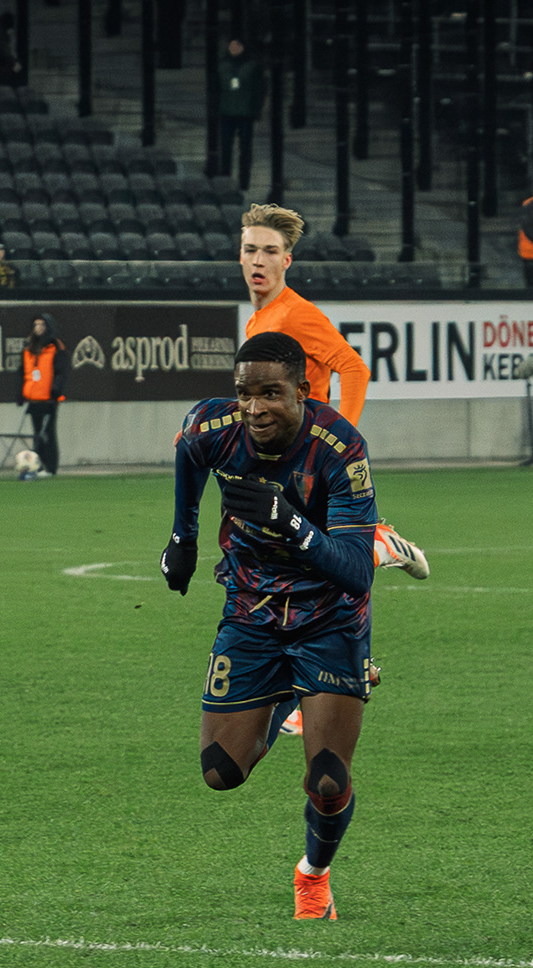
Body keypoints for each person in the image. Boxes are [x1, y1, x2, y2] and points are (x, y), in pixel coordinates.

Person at [160, 331, 378, 920]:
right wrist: (183, 537)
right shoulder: (213, 426)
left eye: (271, 394)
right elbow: (189, 451)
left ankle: (314, 876)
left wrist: (293, 524)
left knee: (327, 780)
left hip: (329, 616)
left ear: (303, 391)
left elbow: (356, 574)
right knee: (220, 773)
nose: (254, 408)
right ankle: (290, 694)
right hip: (251, 611)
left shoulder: (340, 448)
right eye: (244, 394)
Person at [239, 203, 426, 582]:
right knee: (298, 552)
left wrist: (341, 438)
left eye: (270, 251)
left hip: (308, 449)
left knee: (319, 558)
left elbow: (354, 368)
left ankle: (381, 544)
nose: (258, 260)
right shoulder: (259, 320)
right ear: (239, 256)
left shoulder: (295, 314)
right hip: (282, 446)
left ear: (286, 261)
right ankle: (380, 543)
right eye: (250, 250)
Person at [18, 312, 66, 476]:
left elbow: (61, 371)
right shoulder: (29, 347)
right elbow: (23, 371)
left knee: (48, 433)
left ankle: (50, 467)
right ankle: (37, 465)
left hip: (49, 398)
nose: (38, 328)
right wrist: (20, 393)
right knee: (37, 433)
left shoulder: (55, 346)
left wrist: (55, 390)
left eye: (42, 325)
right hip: (34, 398)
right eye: (36, 325)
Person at [216, 38, 263, 191]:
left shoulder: (251, 66)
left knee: (244, 149)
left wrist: (256, 109)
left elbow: (258, 89)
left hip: (244, 113)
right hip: (228, 111)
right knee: (226, 147)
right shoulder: (223, 65)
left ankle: (243, 181)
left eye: (237, 46)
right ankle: (226, 178)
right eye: (232, 46)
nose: (234, 49)